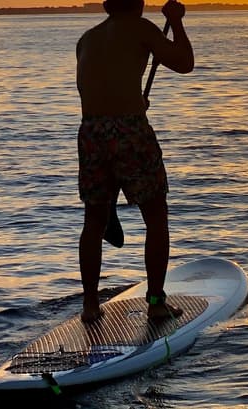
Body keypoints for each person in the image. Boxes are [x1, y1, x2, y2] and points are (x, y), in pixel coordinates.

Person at [75, 0, 193, 323]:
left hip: (91, 132)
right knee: (156, 216)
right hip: (130, 131)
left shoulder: (86, 39)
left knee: (93, 221)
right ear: (139, 4)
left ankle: (89, 307)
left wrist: (133, 99)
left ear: (106, 5)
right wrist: (175, 21)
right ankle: (155, 303)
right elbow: (184, 62)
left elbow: (93, 88)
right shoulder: (142, 28)